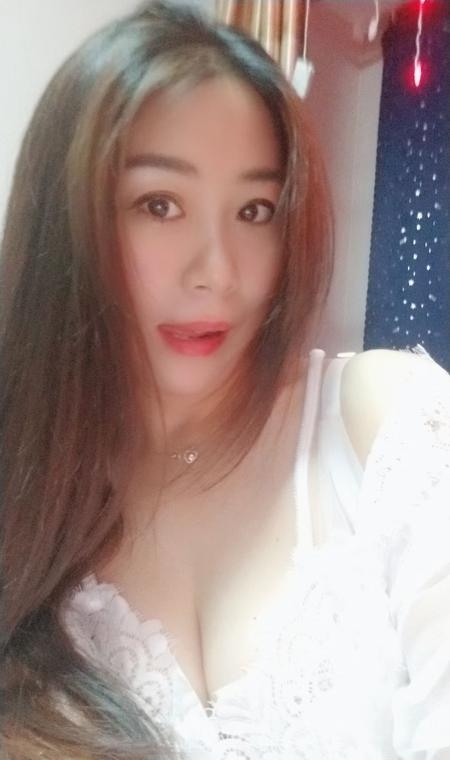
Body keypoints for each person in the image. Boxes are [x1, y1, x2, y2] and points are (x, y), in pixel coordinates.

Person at [1, 2, 449, 759]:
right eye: (160, 205)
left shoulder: (383, 430)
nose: (219, 273)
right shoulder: (27, 500)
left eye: (255, 210)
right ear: (67, 221)